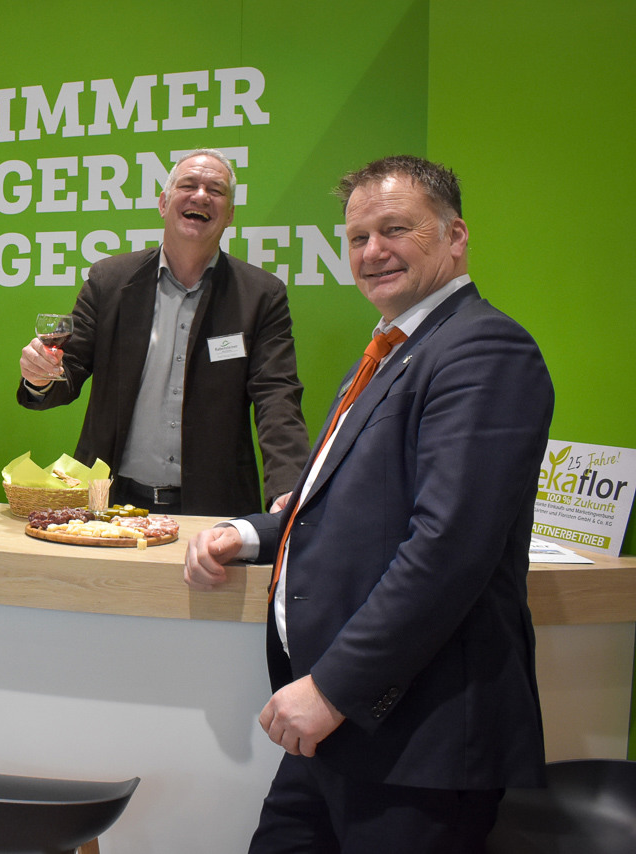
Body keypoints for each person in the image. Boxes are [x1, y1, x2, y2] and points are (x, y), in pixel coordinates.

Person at [183, 156, 553, 853]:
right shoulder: (392, 349)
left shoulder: (485, 349)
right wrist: (251, 534)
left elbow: (448, 548)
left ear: (455, 236)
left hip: (416, 741)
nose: (372, 251)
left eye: (395, 229)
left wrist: (332, 690)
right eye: (358, 237)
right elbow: (349, 503)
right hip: (344, 735)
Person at [17, 148, 309, 517]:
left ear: (230, 215)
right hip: (110, 503)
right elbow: (67, 370)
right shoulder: (109, 281)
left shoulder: (260, 295)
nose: (201, 196)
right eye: (188, 185)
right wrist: (39, 377)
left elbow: (277, 396)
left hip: (214, 510)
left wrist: (288, 487)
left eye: (215, 190)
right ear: (163, 203)